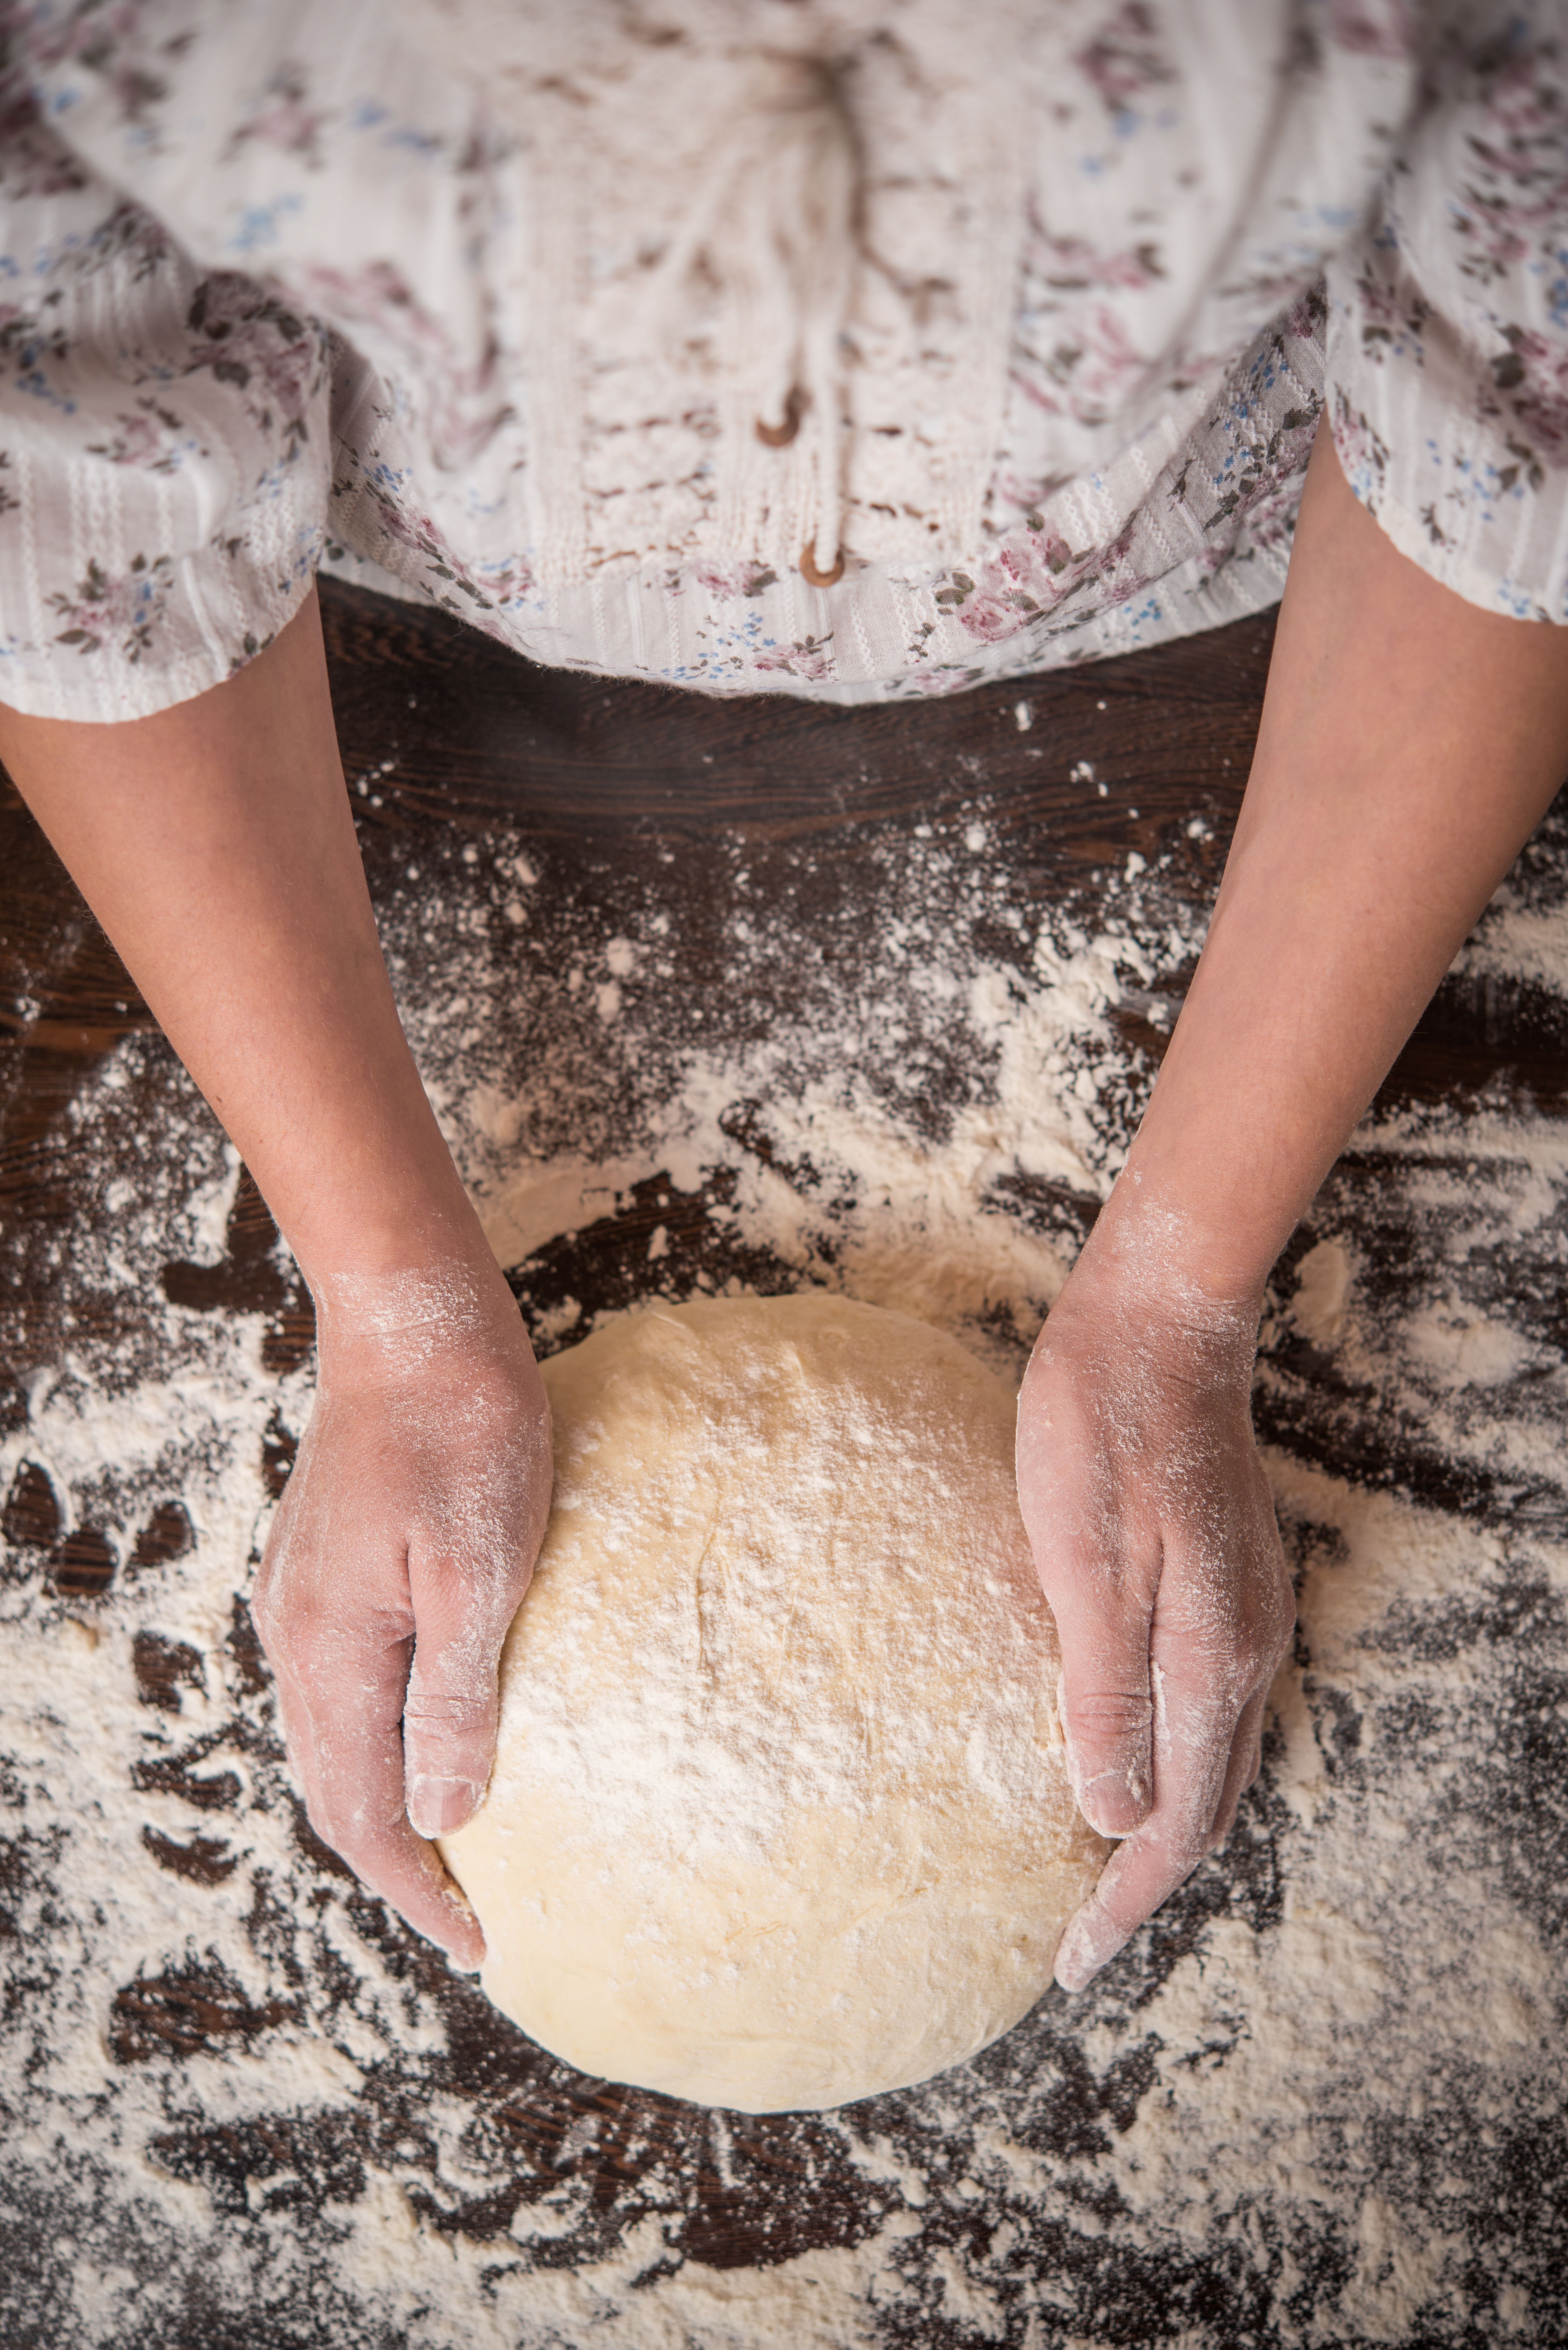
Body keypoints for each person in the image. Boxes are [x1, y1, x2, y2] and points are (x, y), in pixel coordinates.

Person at [1, 0, 1565, 1993]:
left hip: (1222, 560)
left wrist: (1184, 1284)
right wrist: (391, 1308)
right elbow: (70, 455)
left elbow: (1520, 407)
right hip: (414, 562)